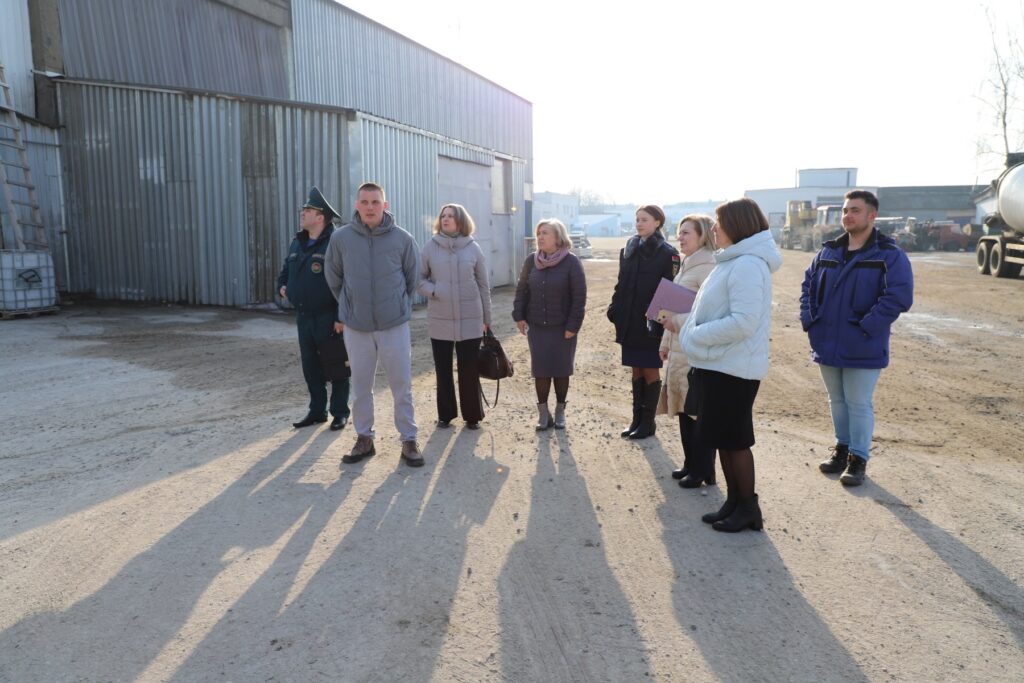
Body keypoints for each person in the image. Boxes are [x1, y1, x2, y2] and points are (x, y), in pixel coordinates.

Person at [680, 198, 782, 532]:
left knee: (735, 441)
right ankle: (734, 502)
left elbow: (743, 322)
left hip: (734, 369)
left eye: (719, 222)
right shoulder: (732, 261)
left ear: (737, 225)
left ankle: (748, 507)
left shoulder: (748, 265)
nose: (714, 228)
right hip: (720, 364)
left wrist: (697, 335)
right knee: (723, 438)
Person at [801, 189, 913, 486]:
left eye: (855, 210)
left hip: (863, 342)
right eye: (845, 210)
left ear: (871, 215)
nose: (848, 215)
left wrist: (867, 326)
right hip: (827, 340)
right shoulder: (828, 252)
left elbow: (899, 296)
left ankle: (858, 459)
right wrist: (810, 321)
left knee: (858, 402)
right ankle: (841, 449)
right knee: (837, 400)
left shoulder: (888, 254)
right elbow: (808, 286)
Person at [324, 182, 422, 467]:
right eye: (364, 202)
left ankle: (409, 439)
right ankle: (364, 438)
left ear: (385, 205)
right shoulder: (341, 239)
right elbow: (334, 278)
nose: (370, 207)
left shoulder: (403, 239)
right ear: (357, 205)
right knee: (361, 387)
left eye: (375, 202)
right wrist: (351, 305)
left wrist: (397, 305)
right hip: (357, 327)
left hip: (394, 326)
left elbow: (412, 278)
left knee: (401, 385)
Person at [277, 187, 350, 431]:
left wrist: (340, 316)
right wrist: (282, 287)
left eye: (308, 210)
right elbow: (285, 272)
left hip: (329, 316)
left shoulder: (335, 243)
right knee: (310, 366)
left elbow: (346, 281)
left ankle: (340, 412)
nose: (303, 213)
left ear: (321, 217)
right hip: (304, 316)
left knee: (336, 364)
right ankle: (317, 411)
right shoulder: (297, 242)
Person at [607, 205, 680, 439]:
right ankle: (636, 419)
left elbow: (670, 292)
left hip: (650, 325)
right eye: (637, 219)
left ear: (657, 222)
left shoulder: (667, 253)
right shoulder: (628, 249)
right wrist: (614, 309)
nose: (639, 223)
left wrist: (658, 322)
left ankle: (648, 423)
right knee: (635, 369)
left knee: (649, 369)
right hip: (629, 321)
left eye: (644, 219)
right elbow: (621, 284)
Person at [418, 203, 492, 430]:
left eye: (451, 215)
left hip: (471, 317)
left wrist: (487, 319)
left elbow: (483, 285)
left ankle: (472, 416)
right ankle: (446, 414)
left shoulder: (473, 248)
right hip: (440, 318)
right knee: (443, 369)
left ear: (461, 220)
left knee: (469, 369)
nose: (446, 219)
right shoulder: (430, 247)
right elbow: (418, 279)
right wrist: (435, 291)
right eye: (443, 215)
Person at [658, 214, 717, 488]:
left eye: (686, 233)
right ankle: (690, 463)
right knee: (684, 408)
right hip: (678, 347)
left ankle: (703, 469)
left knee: (697, 412)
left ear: (702, 236)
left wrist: (678, 324)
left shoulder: (708, 267)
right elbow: (672, 308)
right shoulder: (686, 264)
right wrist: (665, 343)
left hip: (695, 350)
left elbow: (707, 312)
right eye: (679, 232)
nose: (680, 237)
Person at [512, 219, 587, 430]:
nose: (540, 237)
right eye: (538, 233)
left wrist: (573, 326)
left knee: (561, 371)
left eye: (545, 233)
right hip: (537, 328)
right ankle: (543, 414)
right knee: (541, 371)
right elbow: (522, 290)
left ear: (558, 237)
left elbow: (579, 297)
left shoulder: (571, 262)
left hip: (563, 329)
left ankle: (560, 411)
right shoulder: (531, 261)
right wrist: (519, 316)